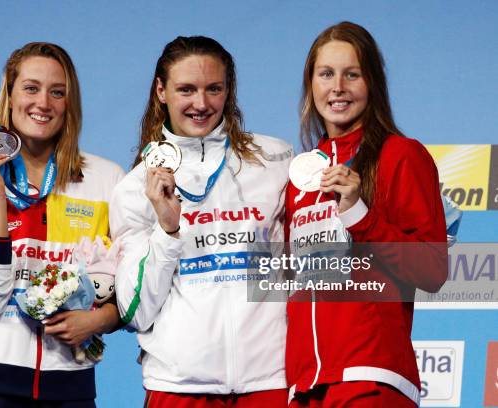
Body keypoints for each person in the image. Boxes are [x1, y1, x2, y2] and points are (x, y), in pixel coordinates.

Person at [0, 42, 124, 407]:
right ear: (9, 94)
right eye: (31, 88)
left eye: (58, 92)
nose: (43, 102)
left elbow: (134, 286)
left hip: (70, 385)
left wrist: (99, 321)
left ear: (70, 104)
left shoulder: (107, 179)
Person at [110, 36, 293, 407]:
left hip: (270, 380)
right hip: (179, 386)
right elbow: (135, 311)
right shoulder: (136, 188)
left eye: (214, 89)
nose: (201, 103)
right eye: (186, 89)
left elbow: (311, 268)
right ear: (161, 91)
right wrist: (167, 230)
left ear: (228, 91)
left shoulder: (277, 160)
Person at [284, 22, 447, 407]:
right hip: (306, 386)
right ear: (311, 85)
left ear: (371, 82)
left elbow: (432, 269)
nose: (337, 86)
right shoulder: (300, 175)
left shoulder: (400, 155)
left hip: (370, 376)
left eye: (351, 74)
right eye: (326, 74)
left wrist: (361, 215)